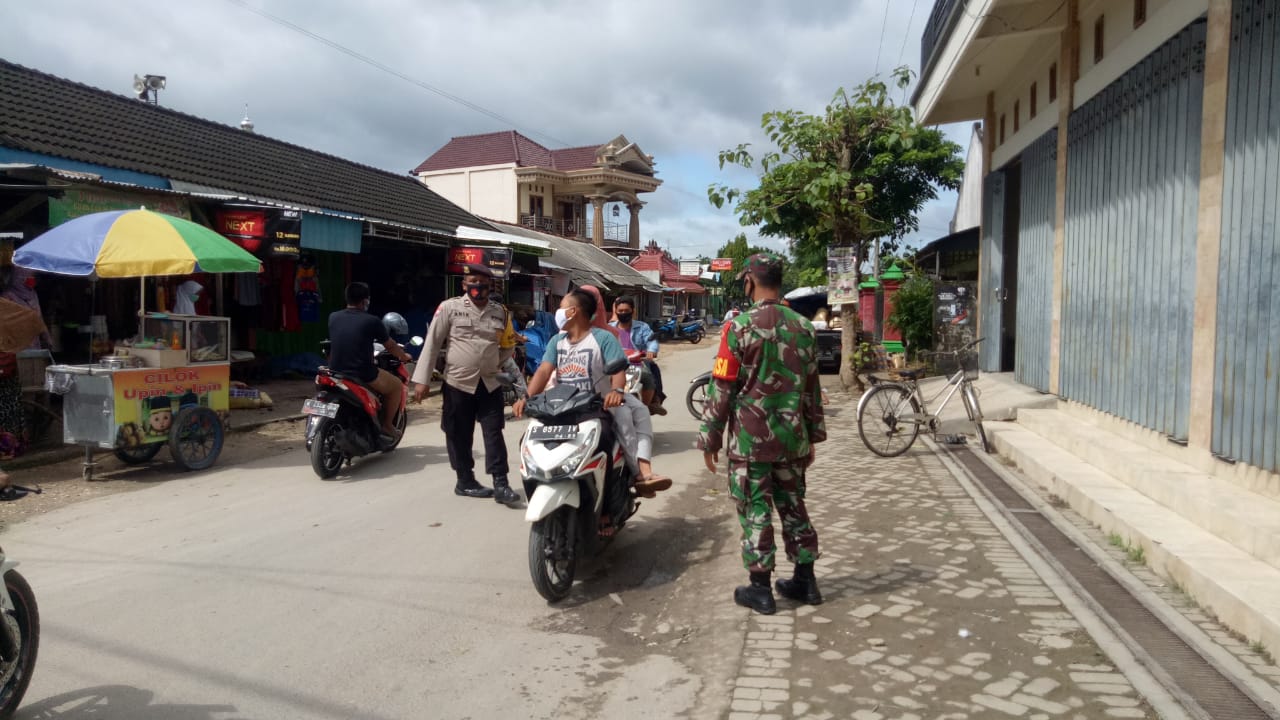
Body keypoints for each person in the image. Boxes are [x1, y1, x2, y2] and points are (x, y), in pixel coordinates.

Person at [698, 253, 826, 615]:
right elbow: (812, 389)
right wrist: (813, 436)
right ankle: (806, 580)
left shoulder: (738, 328)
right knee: (793, 506)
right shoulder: (804, 327)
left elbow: (722, 388)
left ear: (749, 282)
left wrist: (710, 438)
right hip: (792, 438)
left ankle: (760, 589)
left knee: (756, 509)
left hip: (751, 442)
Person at [514, 288, 671, 500]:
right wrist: (526, 397)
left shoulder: (603, 338)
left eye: (561, 307)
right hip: (561, 406)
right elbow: (543, 371)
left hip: (597, 405)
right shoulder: (556, 341)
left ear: (573, 312)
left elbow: (618, 370)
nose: (557, 312)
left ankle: (636, 476)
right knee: (528, 439)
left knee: (615, 432)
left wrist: (616, 391)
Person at [412, 265, 520, 506]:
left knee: (494, 431)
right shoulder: (449, 308)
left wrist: (494, 364)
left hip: (489, 383)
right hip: (457, 383)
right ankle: (465, 480)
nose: (478, 286)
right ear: (464, 284)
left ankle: (501, 483)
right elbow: (432, 343)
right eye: (473, 280)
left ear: (490, 286)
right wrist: (422, 380)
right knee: (458, 432)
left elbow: (508, 345)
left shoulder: (500, 312)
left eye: (483, 282)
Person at [328, 282, 413, 442]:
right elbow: (390, 345)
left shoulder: (333, 317)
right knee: (396, 386)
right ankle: (387, 425)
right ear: (365, 301)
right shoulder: (372, 321)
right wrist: (404, 356)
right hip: (362, 372)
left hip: (335, 371)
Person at [609, 296, 665, 415]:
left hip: (637, 364)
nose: (623, 313)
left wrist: (651, 350)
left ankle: (648, 406)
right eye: (620, 311)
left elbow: (651, 341)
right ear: (616, 312)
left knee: (649, 376)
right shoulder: (609, 328)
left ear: (633, 311)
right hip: (615, 365)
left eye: (626, 311)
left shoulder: (642, 327)